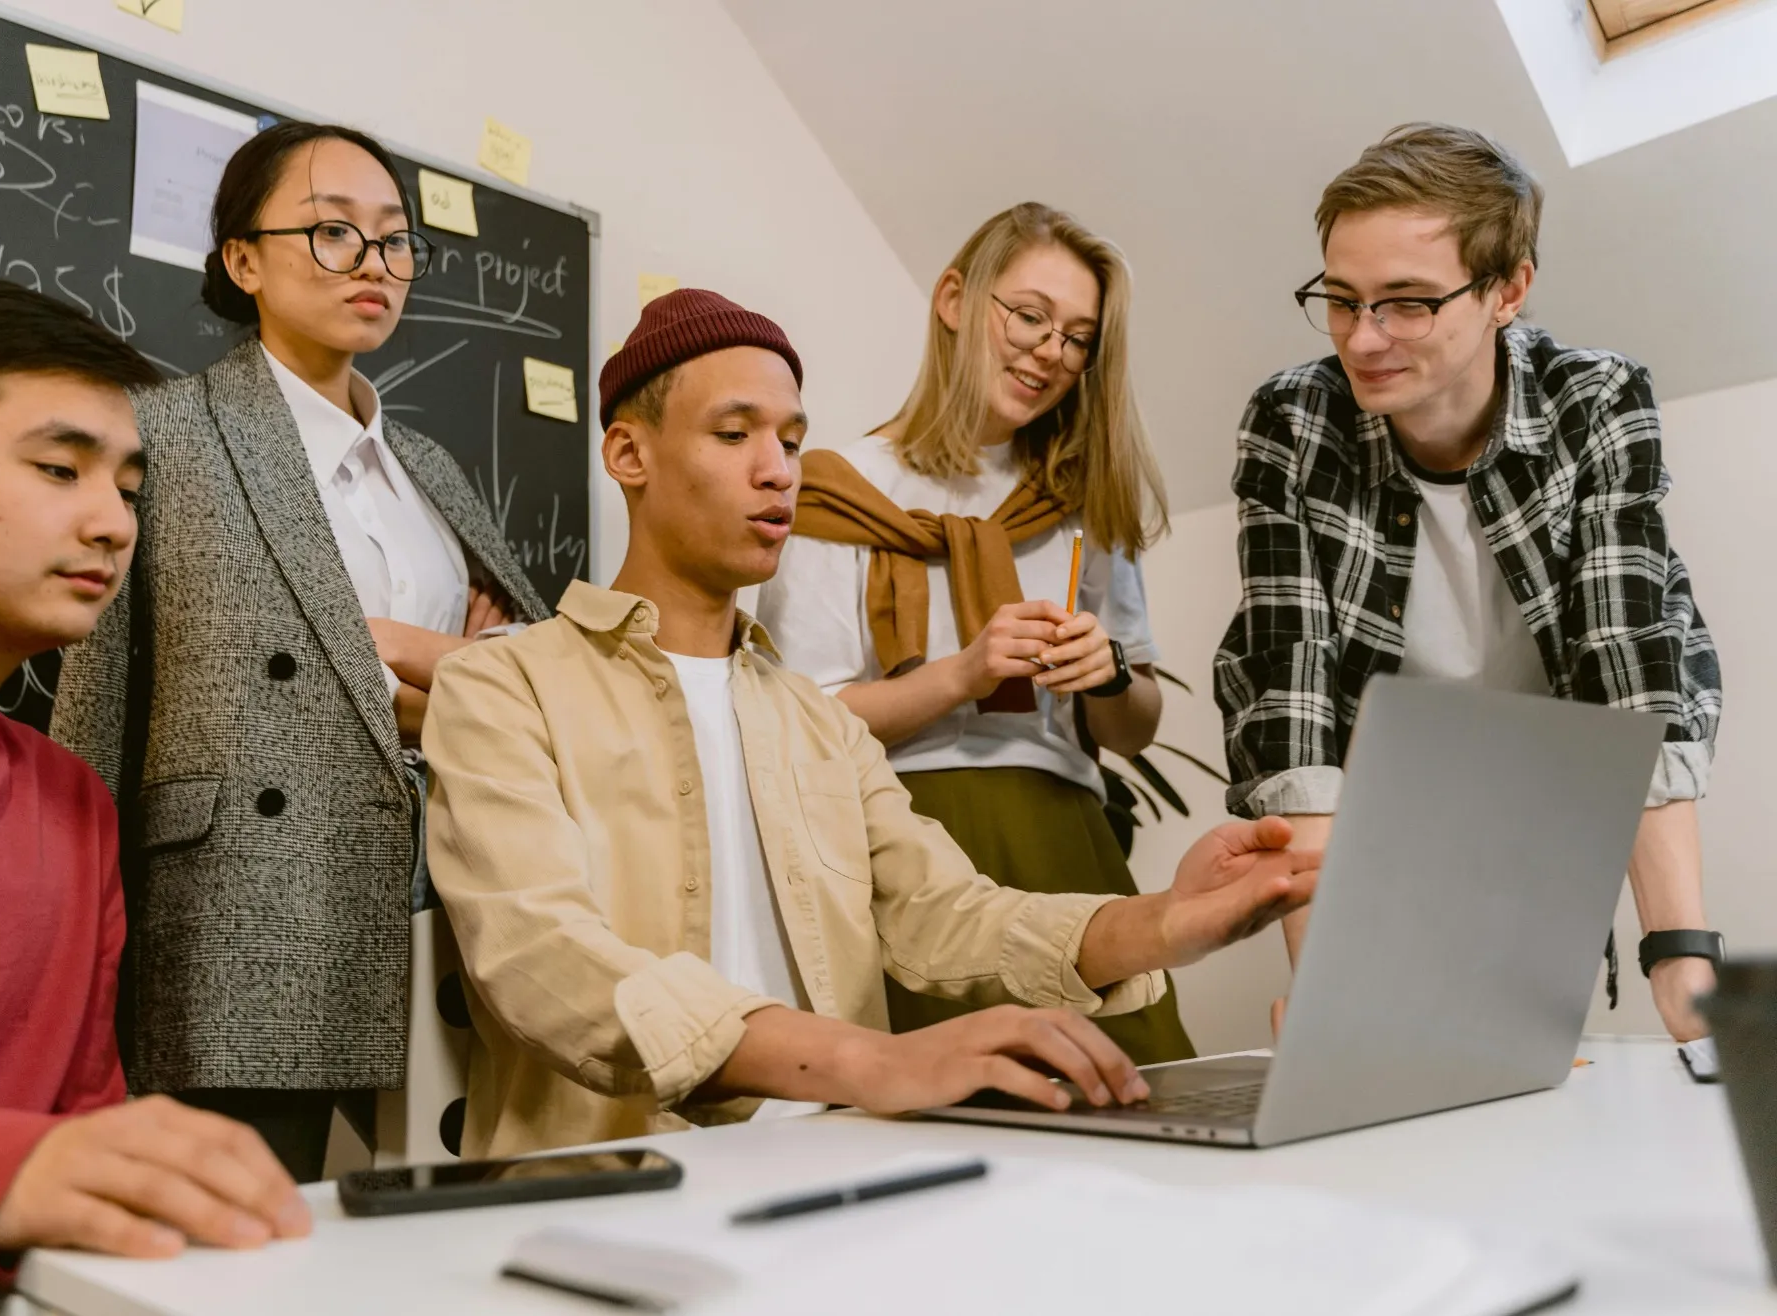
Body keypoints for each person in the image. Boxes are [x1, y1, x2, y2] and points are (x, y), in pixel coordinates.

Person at [423, 288, 1319, 1158]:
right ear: (629, 455)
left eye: (792, 439)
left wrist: (1164, 920)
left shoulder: (815, 721)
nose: (778, 468)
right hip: (607, 1195)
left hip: (837, 1172)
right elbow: (545, 962)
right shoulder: (503, 689)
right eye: (734, 435)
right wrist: (871, 1062)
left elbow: (945, 916)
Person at [51, 122, 546, 1182]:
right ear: (243, 259)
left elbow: (536, 672)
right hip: (243, 921)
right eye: (333, 233)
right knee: (232, 1253)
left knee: (421, 1255)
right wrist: (69, 961)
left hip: (448, 912)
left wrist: (477, 680)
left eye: (393, 240)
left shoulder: (428, 467)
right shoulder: (161, 431)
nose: (373, 264)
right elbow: (93, 712)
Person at [0, 275, 308, 1315]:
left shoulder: (70, 802)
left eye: (130, 488)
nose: (112, 523)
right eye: (60, 467)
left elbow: (85, 1119)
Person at [1214, 123, 1724, 1040]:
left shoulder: (1597, 401)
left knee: (1530, 1073)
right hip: (1378, 820)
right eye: (1341, 299)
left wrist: (1682, 964)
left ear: (1508, 289)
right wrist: (1326, 976)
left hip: (1544, 799)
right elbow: (1293, 693)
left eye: (1407, 303)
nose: (1364, 338)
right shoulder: (1291, 420)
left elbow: (1630, 658)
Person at [759, 202, 1195, 1065]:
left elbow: (1134, 725)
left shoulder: (1084, 505)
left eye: (1077, 339)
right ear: (955, 299)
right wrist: (963, 674)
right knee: (940, 1119)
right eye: (1030, 316)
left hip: (1067, 836)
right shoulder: (834, 493)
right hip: (906, 848)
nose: (1051, 353)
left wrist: (1108, 675)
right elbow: (805, 725)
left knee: (1139, 1103)